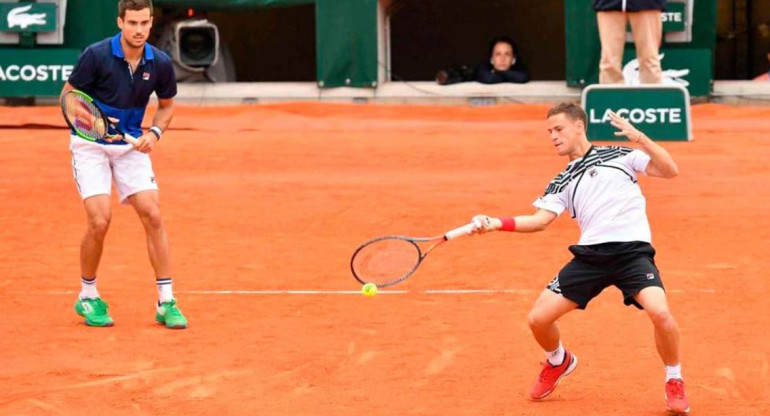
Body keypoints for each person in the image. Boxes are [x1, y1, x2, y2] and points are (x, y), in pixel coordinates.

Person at [470, 102, 690, 414]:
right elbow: (539, 221)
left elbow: (670, 170)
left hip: (632, 253)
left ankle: (674, 378)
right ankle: (559, 360)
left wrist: (638, 137)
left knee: (661, 314)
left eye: (558, 129)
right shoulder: (562, 180)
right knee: (538, 320)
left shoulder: (619, 154)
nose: (553, 137)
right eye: (549, 132)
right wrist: (495, 223)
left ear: (579, 126)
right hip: (590, 258)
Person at [61, 0, 187, 329]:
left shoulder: (158, 62)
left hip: (130, 145)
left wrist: (155, 133)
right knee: (100, 220)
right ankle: (87, 296)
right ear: (120, 22)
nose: (139, 30)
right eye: (132, 23)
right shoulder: (96, 55)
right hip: (91, 146)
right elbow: (69, 97)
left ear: (151, 22)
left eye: (144, 23)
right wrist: (93, 126)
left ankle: (166, 301)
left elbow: (167, 106)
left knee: (153, 214)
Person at [594, 0, 664, 84]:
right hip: (608, 3)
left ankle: (652, 96)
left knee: (649, 59)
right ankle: (612, 96)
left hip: (648, 4)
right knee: (609, 62)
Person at [435, 36, 530, 85]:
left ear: (513, 60)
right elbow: (488, 78)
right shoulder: (483, 68)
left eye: (507, 54)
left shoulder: (521, 70)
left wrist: (500, 73)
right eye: (498, 54)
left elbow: (522, 77)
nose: (502, 58)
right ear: (492, 59)